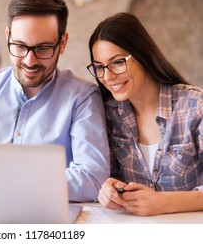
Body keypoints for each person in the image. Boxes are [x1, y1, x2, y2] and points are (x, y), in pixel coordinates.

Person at [0, 0, 110, 202]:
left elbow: (93, 179)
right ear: (8, 37)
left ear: (62, 43)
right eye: (20, 46)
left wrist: (10, 185)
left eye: (43, 48)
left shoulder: (82, 98)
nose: (30, 60)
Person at [87, 12, 203, 216]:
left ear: (142, 55)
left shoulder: (194, 106)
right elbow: (111, 178)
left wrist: (165, 203)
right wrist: (109, 191)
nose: (107, 76)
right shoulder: (110, 116)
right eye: (99, 67)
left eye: (117, 62)